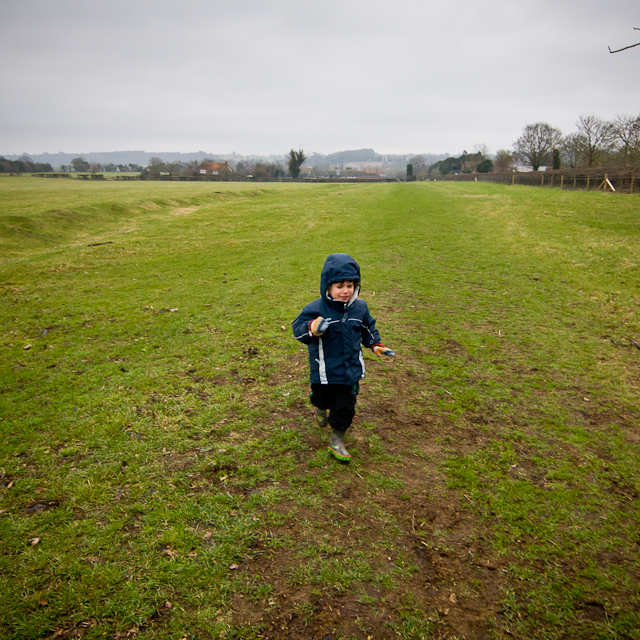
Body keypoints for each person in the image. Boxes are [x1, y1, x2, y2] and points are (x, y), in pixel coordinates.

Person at [292, 253, 395, 461]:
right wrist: (312, 328)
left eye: (350, 285)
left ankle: (337, 439)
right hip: (324, 371)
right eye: (340, 286)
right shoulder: (316, 308)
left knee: (345, 406)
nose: (346, 290)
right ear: (328, 286)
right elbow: (299, 331)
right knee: (322, 398)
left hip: (350, 371)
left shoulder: (360, 308)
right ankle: (320, 407)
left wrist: (376, 345)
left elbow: (368, 329)